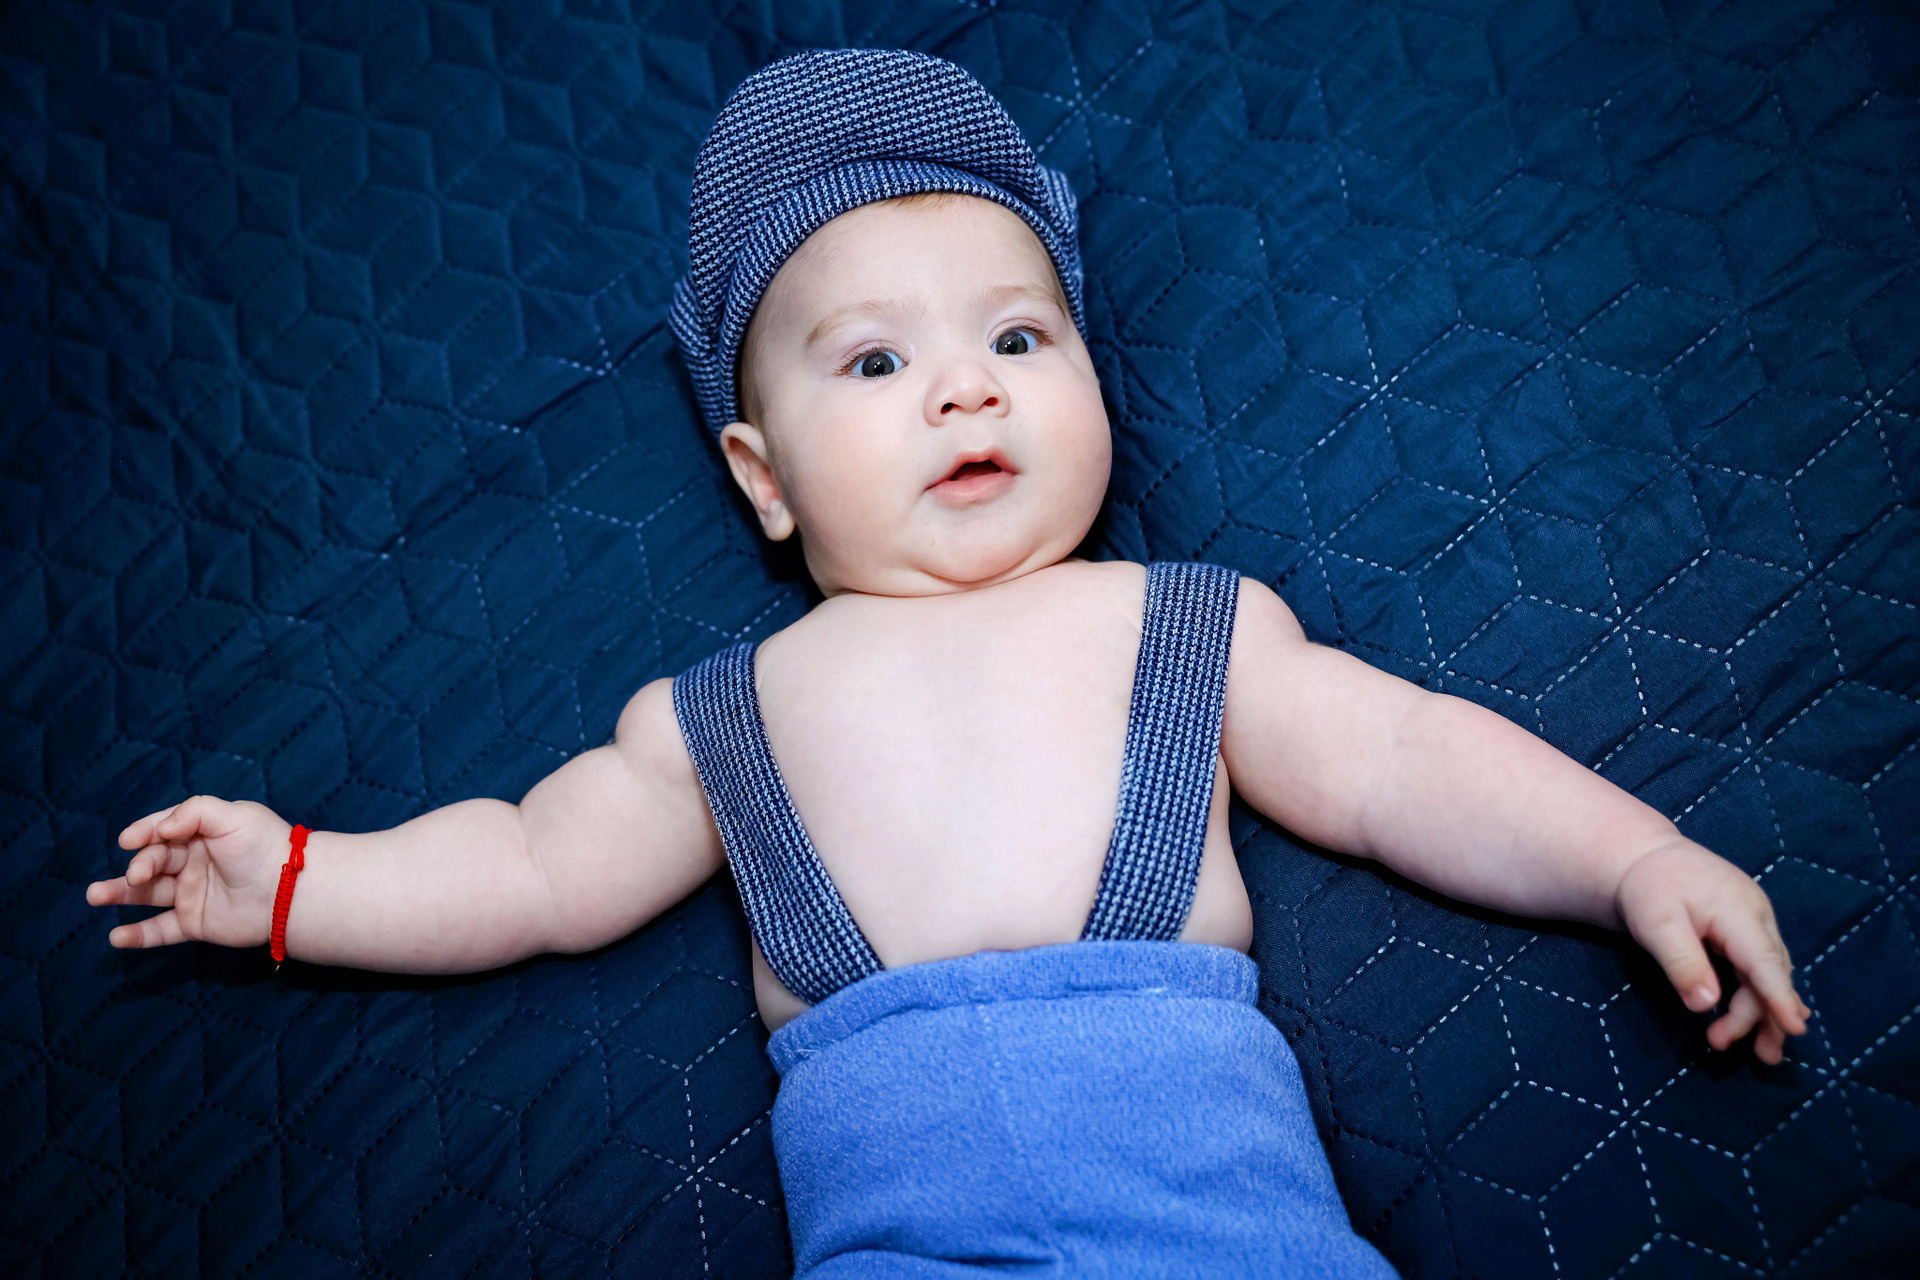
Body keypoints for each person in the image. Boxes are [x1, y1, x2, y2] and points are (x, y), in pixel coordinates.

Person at [87, 48, 1806, 1277]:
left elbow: (1406, 760)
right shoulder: (726, 719)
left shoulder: (1183, 627)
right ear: (762, 477)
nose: (967, 387)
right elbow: (533, 868)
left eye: (1017, 335)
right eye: (875, 362)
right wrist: (303, 882)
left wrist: (1632, 860)